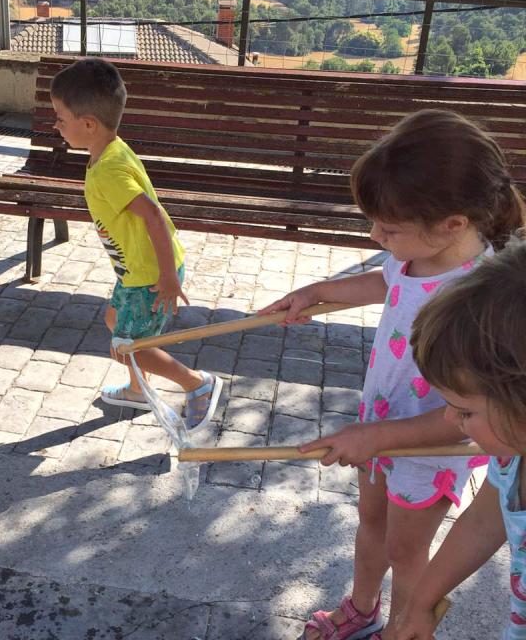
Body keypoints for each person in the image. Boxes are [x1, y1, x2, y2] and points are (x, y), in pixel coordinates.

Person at [255, 109, 525, 640]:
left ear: (452, 224)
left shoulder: (483, 297)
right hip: (377, 424)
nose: (376, 234)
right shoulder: (414, 257)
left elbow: (465, 420)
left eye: (389, 227)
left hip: (428, 449)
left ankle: (404, 627)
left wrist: (377, 437)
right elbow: (385, 283)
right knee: (371, 524)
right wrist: (318, 292)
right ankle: (362, 607)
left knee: (407, 548)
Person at [50, 58, 221, 432]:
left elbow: (154, 217)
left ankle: (198, 384)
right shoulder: (108, 151)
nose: (56, 125)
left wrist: (166, 278)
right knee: (116, 322)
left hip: (148, 275)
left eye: (61, 119)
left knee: (129, 345)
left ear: (89, 124)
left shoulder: (110, 170)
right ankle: (137, 389)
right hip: (135, 271)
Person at [393, 236, 526, 639]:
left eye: (465, 411)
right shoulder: (512, 456)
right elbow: (484, 522)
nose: (451, 419)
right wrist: (419, 602)